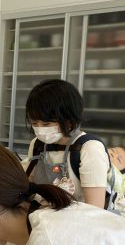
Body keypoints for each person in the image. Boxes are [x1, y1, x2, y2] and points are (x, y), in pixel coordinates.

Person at [23, 79, 110, 209]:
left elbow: (95, 209)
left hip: (79, 218)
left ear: (69, 120)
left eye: (46, 124)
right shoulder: (37, 145)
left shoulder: (89, 148)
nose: (40, 129)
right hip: (44, 217)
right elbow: (29, 187)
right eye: (34, 123)